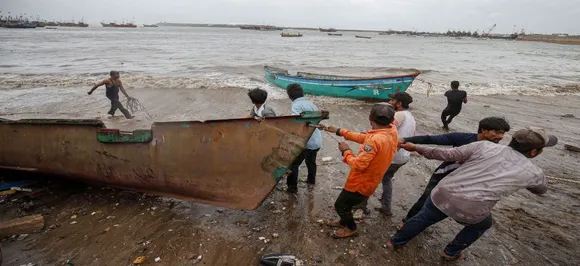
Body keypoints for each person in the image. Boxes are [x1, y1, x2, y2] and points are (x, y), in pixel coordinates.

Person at [387, 127, 557, 261]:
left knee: (424, 217)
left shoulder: (483, 146)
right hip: (472, 209)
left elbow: (445, 154)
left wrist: (416, 147)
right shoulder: (534, 172)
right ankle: (451, 252)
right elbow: (541, 190)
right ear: (534, 152)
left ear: (512, 140)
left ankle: (394, 242)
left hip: (443, 193)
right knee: (483, 224)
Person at [400, 117, 511, 227]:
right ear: (483, 130)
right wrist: (405, 139)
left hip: (465, 184)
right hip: (443, 176)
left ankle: (419, 224)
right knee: (426, 198)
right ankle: (407, 222)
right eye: (497, 132)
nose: (501, 137)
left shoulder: (498, 151)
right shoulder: (463, 138)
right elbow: (432, 139)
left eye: (503, 133)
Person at [323, 103, 399, 238]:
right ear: (392, 121)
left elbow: (359, 165)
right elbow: (364, 137)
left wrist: (346, 151)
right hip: (372, 181)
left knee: (340, 205)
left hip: (360, 183)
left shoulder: (375, 140)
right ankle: (343, 221)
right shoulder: (391, 132)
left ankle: (351, 228)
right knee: (346, 204)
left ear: (370, 120)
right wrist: (339, 131)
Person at [356, 92, 416, 216]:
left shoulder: (398, 115)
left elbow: (385, 129)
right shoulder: (410, 116)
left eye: (392, 100)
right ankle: (386, 207)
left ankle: (361, 206)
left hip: (392, 156)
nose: (389, 102)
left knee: (370, 179)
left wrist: (368, 135)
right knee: (386, 178)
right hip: (403, 157)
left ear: (399, 104)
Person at [285, 84, 322, 193]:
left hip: (306, 141)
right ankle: (311, 181)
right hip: (316, 141)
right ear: (302, 93)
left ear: (289, 96)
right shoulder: (312, 104)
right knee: (311, 162)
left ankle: (292, 188)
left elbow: (298, 124)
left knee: (293, 164)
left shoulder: (296, 106)